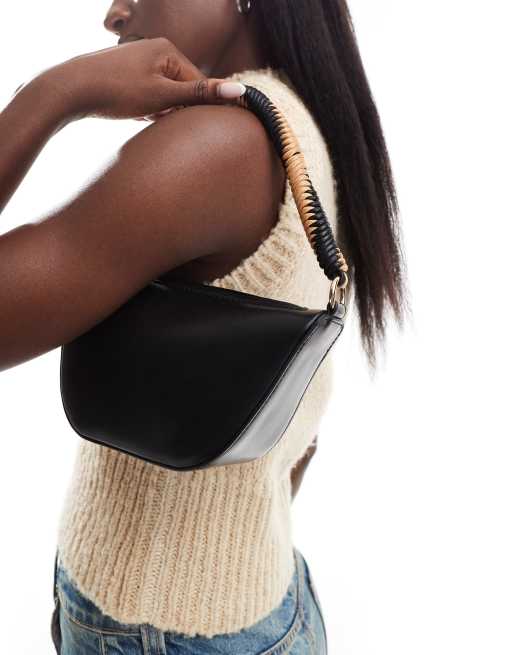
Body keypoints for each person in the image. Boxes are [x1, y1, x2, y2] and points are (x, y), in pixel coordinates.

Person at [0, 1, 407, 653]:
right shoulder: (301, 119)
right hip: (259, 595)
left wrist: (54, 91)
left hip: (161, 627)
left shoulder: (222, 144)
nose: (114, 14)